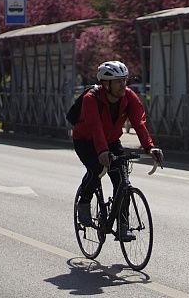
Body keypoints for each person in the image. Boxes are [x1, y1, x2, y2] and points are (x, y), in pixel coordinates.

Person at [71, 60, 163, 242]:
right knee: (97, 169)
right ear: (106, 84)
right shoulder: (92, 98)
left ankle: (122, 227)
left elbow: (139, 123)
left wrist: (150, 147)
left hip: (111, 140)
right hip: (85, 140)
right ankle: (84, 201)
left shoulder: (129, 97)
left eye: (125, 80)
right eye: (118, 81)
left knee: (122, 180)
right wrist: (102, 152)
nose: (123, 84)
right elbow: (96, 127)